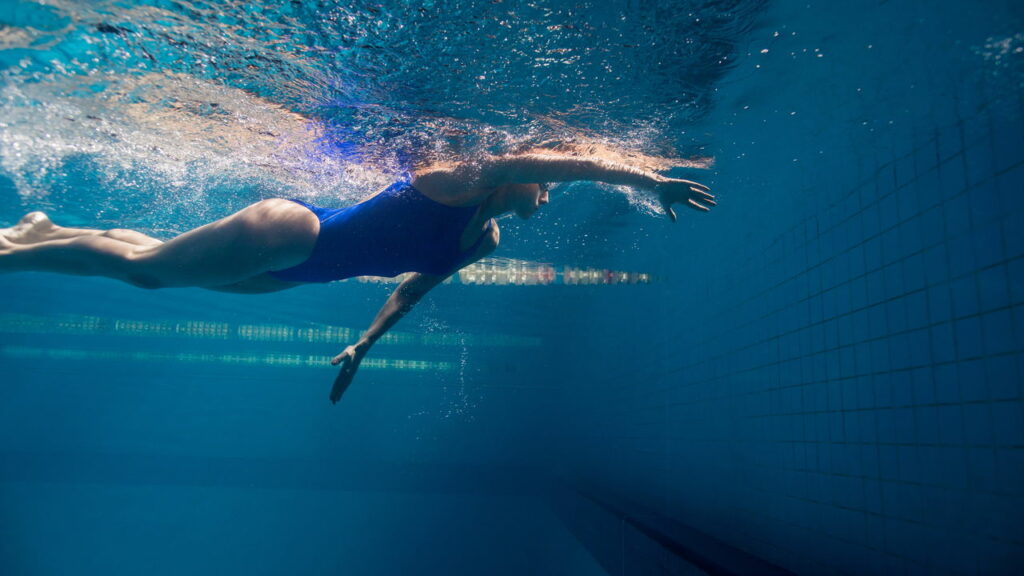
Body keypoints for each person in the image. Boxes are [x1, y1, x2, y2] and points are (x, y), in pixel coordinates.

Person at [0, 151, 715, 402]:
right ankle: (14, 251)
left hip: (301, 274)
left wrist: (366, 344)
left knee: (160, 260)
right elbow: (574, 163)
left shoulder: (485, 238)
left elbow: (412, 289)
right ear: (522, 176)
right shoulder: (461, 180)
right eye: (544, 186)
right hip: (291, 233)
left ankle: (46, 233)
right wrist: (652, 181)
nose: (549, 196)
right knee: (147, 275)